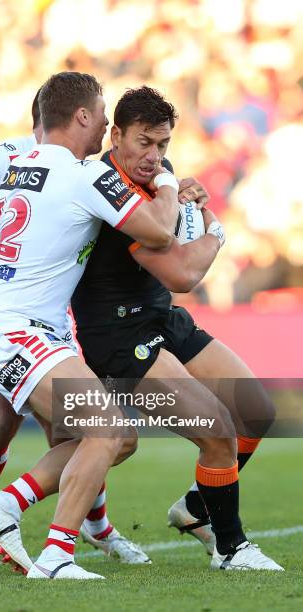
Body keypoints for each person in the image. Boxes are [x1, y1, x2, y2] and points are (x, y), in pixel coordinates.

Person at [0, 71, 180, 580]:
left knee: (112, 436)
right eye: (102, 115)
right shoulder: (77, 174)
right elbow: (161, 233)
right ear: (81, 115)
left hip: (32, 329)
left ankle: (55, 520)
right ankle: (38, 544)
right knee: (43, 424)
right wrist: (164, 176)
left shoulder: (23, 165)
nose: (107, 125)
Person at [70, 86, 282, 571]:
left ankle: (196, 507)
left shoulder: (155, 176)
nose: (155, 155)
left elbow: (176, 241)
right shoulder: (107, 187)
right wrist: (214, 230)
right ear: (116, 134)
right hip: (120, 336)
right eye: (144, 142)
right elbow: (184, 275)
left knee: (257, 410)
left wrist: (186, 201)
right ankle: (231, 548)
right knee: (216, 430)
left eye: (163, 144)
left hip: (161, 319)